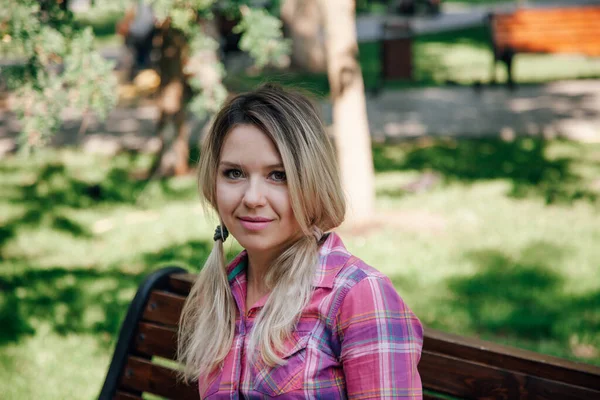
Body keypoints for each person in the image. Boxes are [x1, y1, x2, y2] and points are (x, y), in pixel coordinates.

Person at [177, 84, 423, 399]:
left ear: (312, 182)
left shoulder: (357, 297)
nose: (252, 198)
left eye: (278, 175)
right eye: (234, 173)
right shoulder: (223, 291)